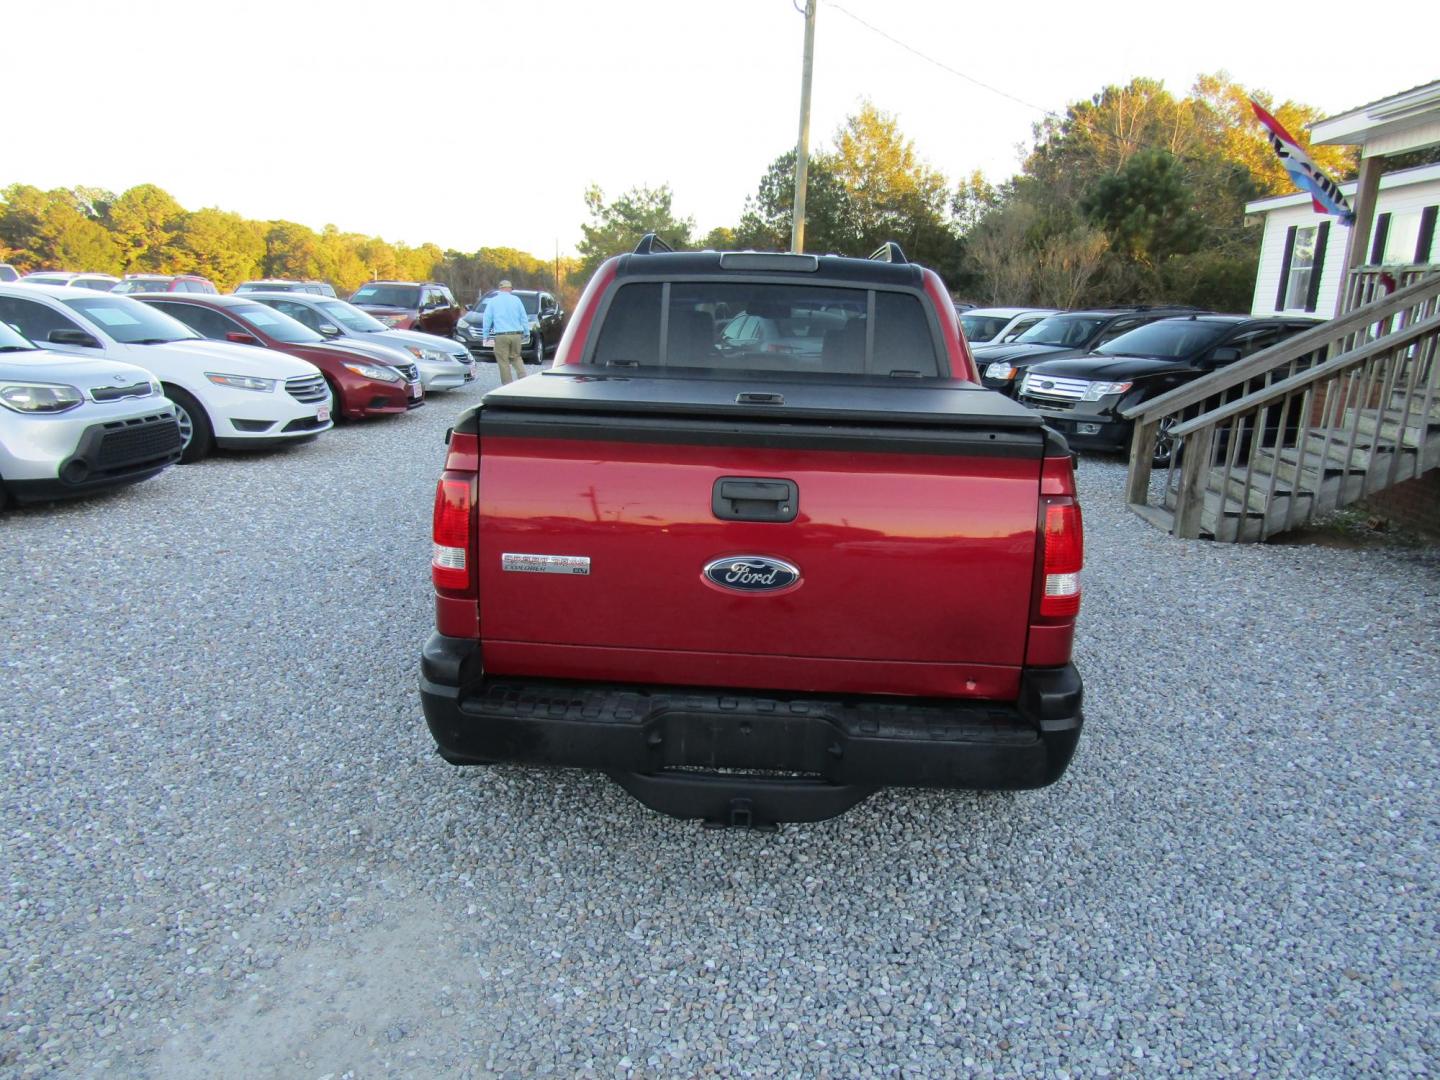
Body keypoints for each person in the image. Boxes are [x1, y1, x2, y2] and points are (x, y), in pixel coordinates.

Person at [481, 280, 532, 385]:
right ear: (509, 289)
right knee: (516, 358)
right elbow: (523, 317)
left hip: (501, 335)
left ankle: (507, 385)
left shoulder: (493, 301)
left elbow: (487, 319)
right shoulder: (517, 300)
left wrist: (485, 335)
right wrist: (526, 332)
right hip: (516, 335)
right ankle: (524, 381)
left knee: (503, 361)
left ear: (500, 289)